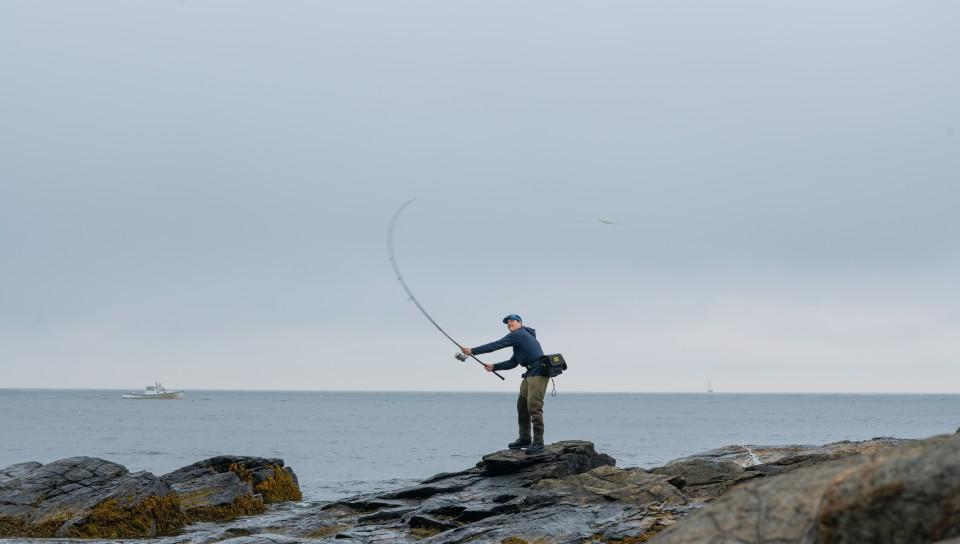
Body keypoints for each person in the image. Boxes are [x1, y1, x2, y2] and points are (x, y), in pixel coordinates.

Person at [461, 314, 548, 454]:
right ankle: (525, 438)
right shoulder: (521, 338)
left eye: (512, 321)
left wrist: (472, 351)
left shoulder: (519, 335)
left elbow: (495, 346)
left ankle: (539, 443)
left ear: (520, 322)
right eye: (507, 322)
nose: (509, 324)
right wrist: (494, 367)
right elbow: (513, 362)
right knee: (522, 406)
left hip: (538, 373)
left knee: (534, 408)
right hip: (530, 374)